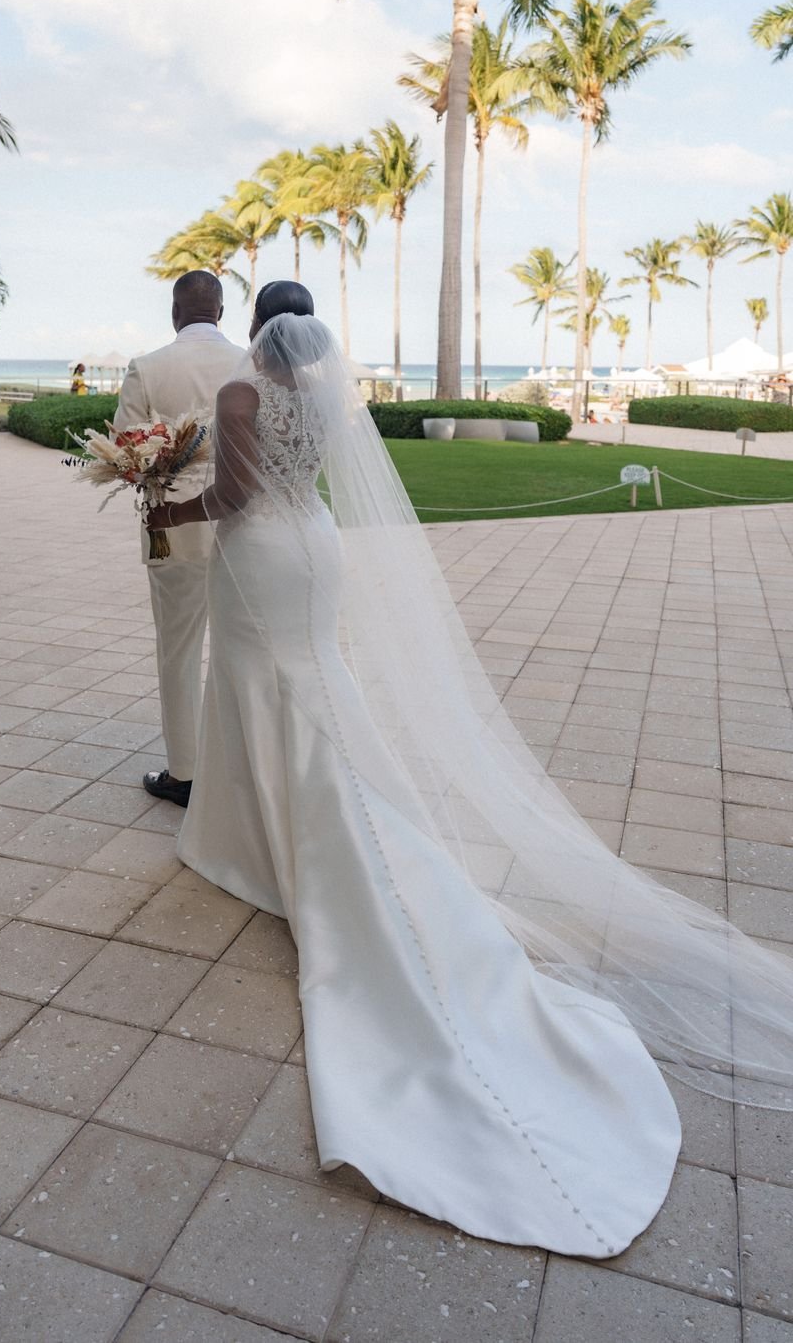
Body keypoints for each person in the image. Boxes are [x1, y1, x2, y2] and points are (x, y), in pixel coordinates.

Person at [148, 296, 793, 1257]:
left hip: (263, 555)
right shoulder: (329, 402)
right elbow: (297, 483)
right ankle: (260, 831)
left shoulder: (242, 394)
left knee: (269, 692)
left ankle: (293, 840)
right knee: (310, 690)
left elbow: (237, 498)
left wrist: (166, 504)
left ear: (256, 330)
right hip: (317, 549)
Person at [113, 271, 244, 806]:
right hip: (244, 520)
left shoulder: (148, 367)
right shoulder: (249, 361)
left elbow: (125, 449)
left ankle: (185, 772)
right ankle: (241, 762)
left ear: (174, 312)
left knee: (179, 648)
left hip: (173, 523)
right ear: (220, 311)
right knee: (243, 646)